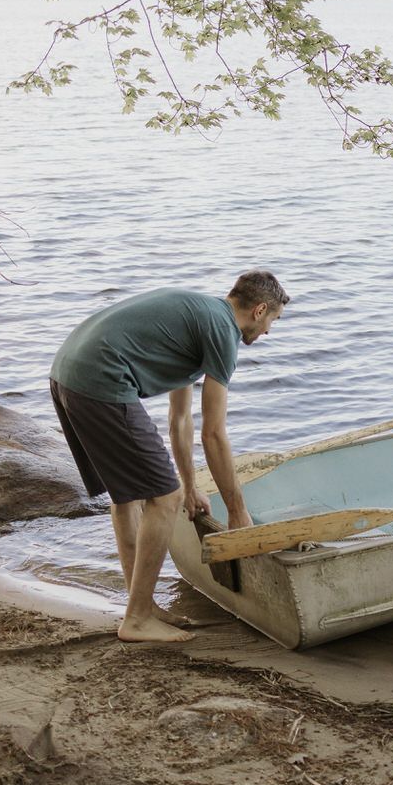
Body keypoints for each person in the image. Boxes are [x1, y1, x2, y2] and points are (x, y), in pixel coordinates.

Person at [49, 271, 289, 644]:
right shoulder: (224, 333)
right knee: (165, 496)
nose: (269, 332)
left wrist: (192, 487)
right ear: (259, 310)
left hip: (66, 372)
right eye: (272, 321)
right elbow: (214, 433)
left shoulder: (200, 317)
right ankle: (139, 619)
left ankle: (138, 605)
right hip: (100, 379)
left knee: (129, 496)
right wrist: (238, 512)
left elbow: (180, 420)